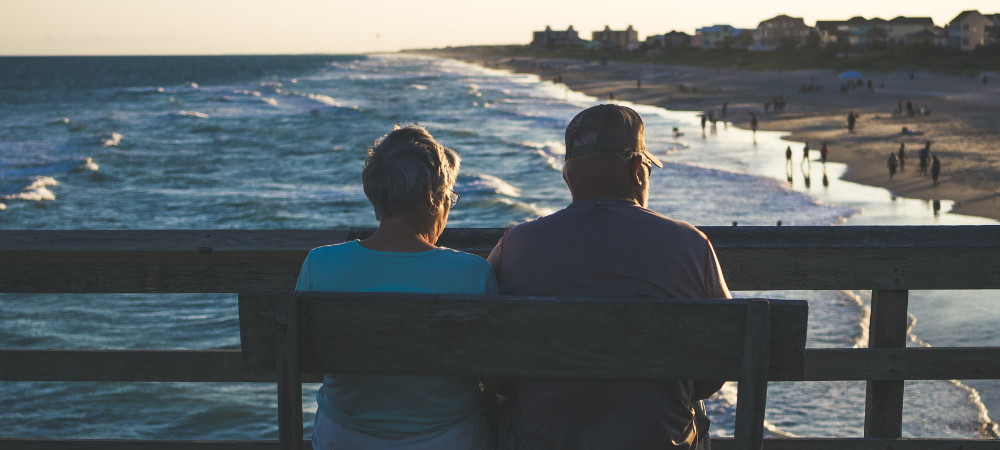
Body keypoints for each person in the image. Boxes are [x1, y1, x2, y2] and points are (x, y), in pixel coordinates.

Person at [485, 104, 730, 450]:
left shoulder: (514, 246)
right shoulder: (692, 245)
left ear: (567, 175)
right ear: (637, 171)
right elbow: (725, 355)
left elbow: (488, 364)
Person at [297, 125, 495, 450]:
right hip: (450, 438)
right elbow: (495, 375)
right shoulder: (473, 272)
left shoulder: (319, 265)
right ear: (431, 192)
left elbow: (312, 363)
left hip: (343, 437)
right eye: (450, 197)